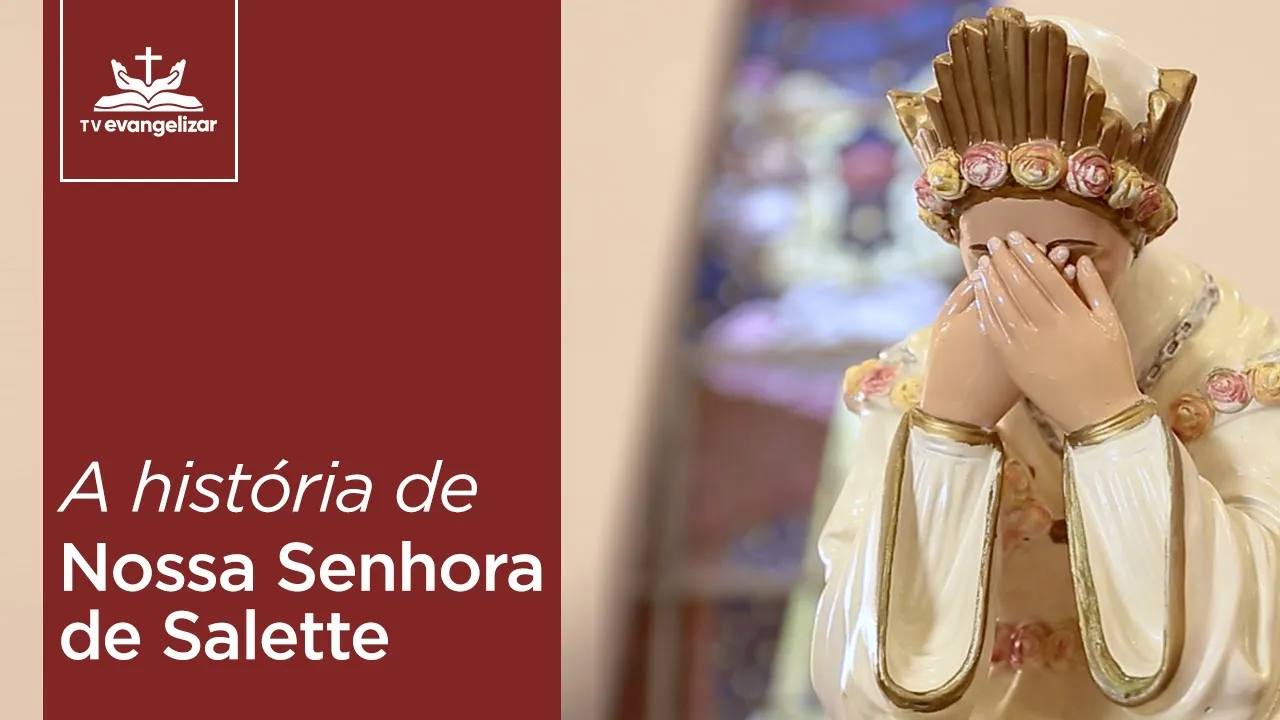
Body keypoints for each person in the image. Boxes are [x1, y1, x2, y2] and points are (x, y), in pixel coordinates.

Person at [810, 8, 1280, 720]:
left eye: (1069, 256)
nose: (1025, 283)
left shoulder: (1238, 371)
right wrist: (948, 430)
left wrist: (1107, 416)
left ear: (1133, 236)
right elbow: (861, 686)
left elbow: (1241, 674)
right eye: (987, 256)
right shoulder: (911, 382)